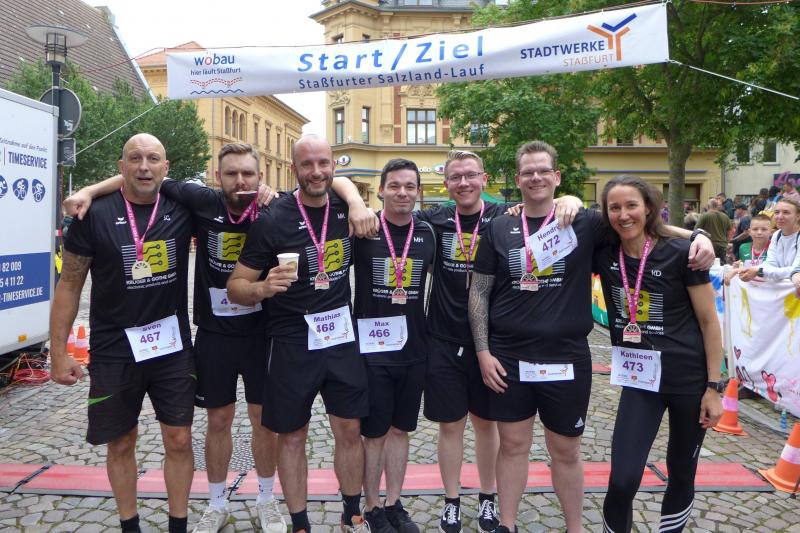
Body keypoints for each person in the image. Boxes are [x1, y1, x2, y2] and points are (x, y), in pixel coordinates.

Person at [467, 141, 714, 533]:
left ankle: (575, 528)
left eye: (543, 171)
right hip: (510, 357)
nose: (535, 177)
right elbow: (479, 292)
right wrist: (482, 350)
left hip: (566, 357)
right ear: (517, 179)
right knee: (512, 445)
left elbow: (641, 224)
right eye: (528, 172)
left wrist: (698, 234)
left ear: (556, 176)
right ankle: (507, 524)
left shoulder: (583, 222)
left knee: (566, 450)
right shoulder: (499, 226)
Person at [416, 149, 581, 533]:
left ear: (484, 179)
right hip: (444, 337)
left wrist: (569, 198)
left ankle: (488, 496)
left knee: (487, 424)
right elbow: (388, 209)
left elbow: (545, 203)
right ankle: (452, 500)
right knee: (450, 426)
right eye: (456, 177)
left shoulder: (505, 216)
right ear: (446, 183)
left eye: (471, 175)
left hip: (494, 343)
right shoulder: (434, 219)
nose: (464, 183)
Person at [227, 135, 374, 533]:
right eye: (307, 164)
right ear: (294, 170)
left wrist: (357, 201)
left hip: (340, 337)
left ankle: (352, 515)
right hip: (292, 341)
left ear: (333, 166)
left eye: (323, 163)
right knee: (292, 436)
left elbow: (347, 189)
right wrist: (262, 288)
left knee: (350, 430)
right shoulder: (273, 219)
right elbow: (235, 286)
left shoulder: (345, 208)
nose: (316, 172)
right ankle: (300, 523)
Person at [50, 133, 195, 533]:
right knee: (121, 440)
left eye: (153, 159)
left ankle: (178, 525)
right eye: (135, 158)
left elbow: (235, 200)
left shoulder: (181, 207)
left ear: (166, 168)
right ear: (121, 166)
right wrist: (59, 353)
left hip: (171, 346)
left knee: (179, 439)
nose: (144, 166)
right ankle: (130, 526)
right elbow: (70, 284)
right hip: (115, 347)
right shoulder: (94, 215)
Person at [594, 175, 723, 533]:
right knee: (622, 479)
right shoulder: (604, 253)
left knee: (681, 473)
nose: (624, 215)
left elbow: (709, 322)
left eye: (631, 205)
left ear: (648, 208)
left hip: (688, 381)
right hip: (639, 381)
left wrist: (714, 387)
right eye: (615, 207)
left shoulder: (681, 254)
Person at [353, 159, 436, 533]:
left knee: (401, 431)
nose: (403, 192)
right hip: (371, 351)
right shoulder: (363, 228)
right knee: (374, 435)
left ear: (418, 191)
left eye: (409, 186)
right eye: (395, 185)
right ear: (382, 189)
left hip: (414, 349)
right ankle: (372, 506)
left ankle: (394, 503)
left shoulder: (429, 233)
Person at [740, 197, 800, 283]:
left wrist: (759, 271)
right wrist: (751, 270)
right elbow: (770, 263)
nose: (780, 216)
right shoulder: (776, 235)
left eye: (786, 212)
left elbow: (796, 270)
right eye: (777, 212)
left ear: (798, 216)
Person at [725, 214, 772, 285]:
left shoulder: (775, 248)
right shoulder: (743, 247)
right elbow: (744, 268)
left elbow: (776, 270)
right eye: (755, 229)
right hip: (749, 288)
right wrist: (738, 267)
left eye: (764, 229)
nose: (759, 232)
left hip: (769, 288)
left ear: (771, 231)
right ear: (749, 232)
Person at [696, 198, 732, 262]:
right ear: (717, 206)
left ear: (708, 206)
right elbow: (729, 232)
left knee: (708, 265)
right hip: (722, 246)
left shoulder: (704, 216)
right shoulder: (725, 217)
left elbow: (696, 230)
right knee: (721, 265)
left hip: (709, 245)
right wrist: (726, 243)